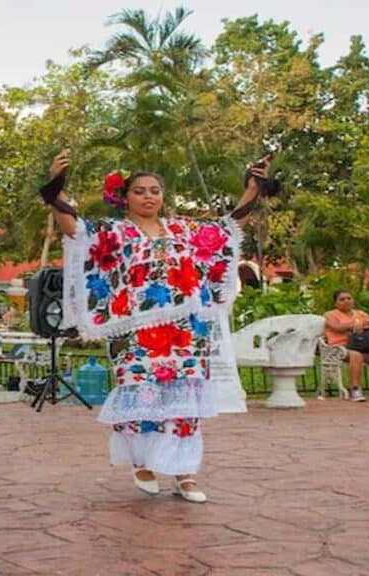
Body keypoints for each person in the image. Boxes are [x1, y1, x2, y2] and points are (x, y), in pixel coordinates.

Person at [42, 150, 270, 503]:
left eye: (155, 191)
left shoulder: (184, 229)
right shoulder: (114, 232)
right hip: (136, 331)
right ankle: (142, 462)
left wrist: (253, 187)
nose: (148, 197)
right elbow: (74, 228)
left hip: (187, 331)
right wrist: (55, 185)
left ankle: (184, 473)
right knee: (142, 396)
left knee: (184, 399)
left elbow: (229, 227)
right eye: (139, 191)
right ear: (125, 197)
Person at [323, 290, 369, 402]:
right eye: (342, 299)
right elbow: (336, 327)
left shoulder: (361, 314)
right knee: (356, 355)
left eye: (349, 298)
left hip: (362, 345)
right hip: (340, 347)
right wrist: (355, 325)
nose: (346, 301)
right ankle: (355, 388)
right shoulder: (330, 315)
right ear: (335, 303)